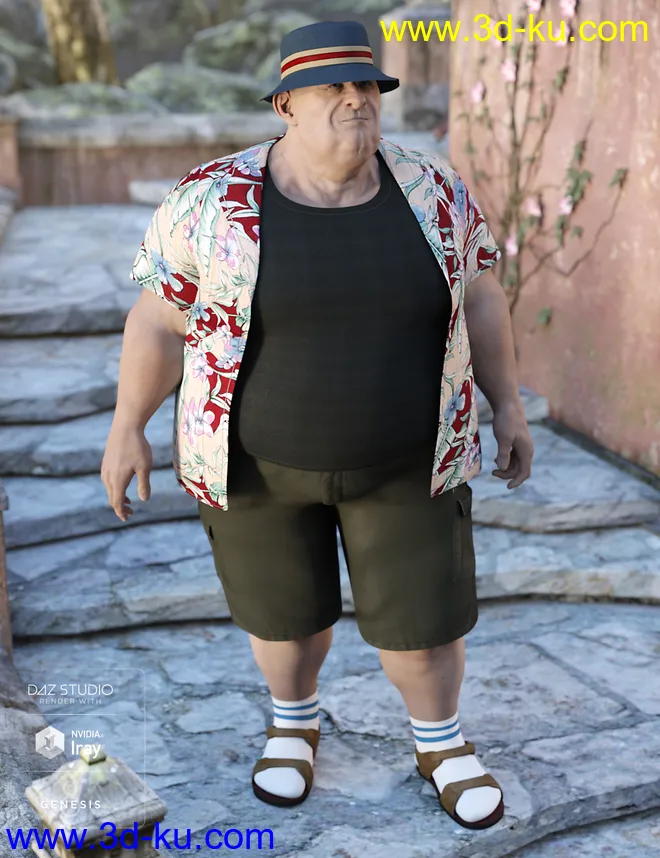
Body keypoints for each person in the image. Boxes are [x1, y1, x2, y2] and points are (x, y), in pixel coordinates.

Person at [101, 20, 534, 830]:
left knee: (423, 630)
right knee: (285, 622)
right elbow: (158, 322)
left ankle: (440, 742)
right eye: (331, 86)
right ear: (285, 105)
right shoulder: (213, 200)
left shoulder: (433, 190)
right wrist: (129, 425)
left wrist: (507, 404)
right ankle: (293, 725)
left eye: (366, 85)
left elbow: (479, 295)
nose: (355, 99)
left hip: (409, 463)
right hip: (256, 467)